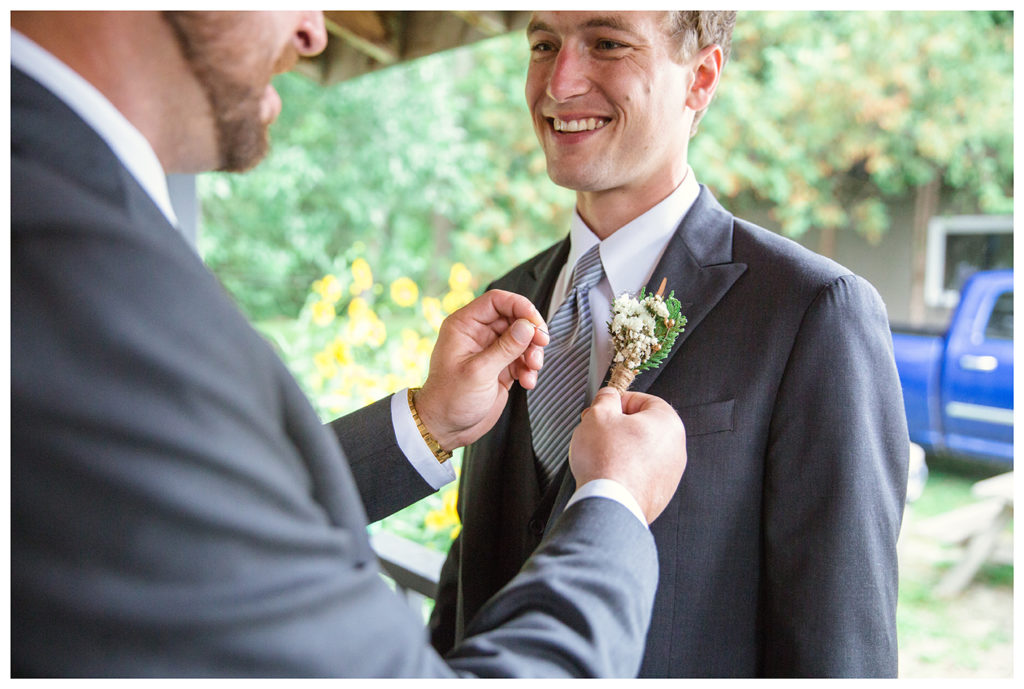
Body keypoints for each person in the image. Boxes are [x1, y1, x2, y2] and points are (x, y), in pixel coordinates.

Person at [10, 11, 690, 677]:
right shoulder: (78, 270)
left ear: (699, 80)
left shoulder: (67, 220)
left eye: (607, 43)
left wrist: (423, 421)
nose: (314, 30)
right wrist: (614, 502)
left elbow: (193, 510)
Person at [429, 10, 910, 678]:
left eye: (607, 44)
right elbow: (471, 569)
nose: (559, 82)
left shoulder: (813, 311)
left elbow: (839, 649)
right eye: (544, 44)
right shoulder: (504, 301)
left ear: (701, 78)